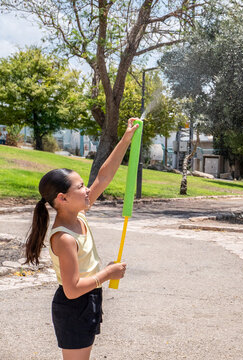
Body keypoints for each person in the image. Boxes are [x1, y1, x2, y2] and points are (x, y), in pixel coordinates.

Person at [24, 118, 140, 360]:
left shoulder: (79, 214)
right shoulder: (65, 238)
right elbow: (72, 289)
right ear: (63, 198)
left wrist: (126, 139)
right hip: (75, 305)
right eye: (81, 187)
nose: (88, 190)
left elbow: (104, 177)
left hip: (88, 301)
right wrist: (108, 273)